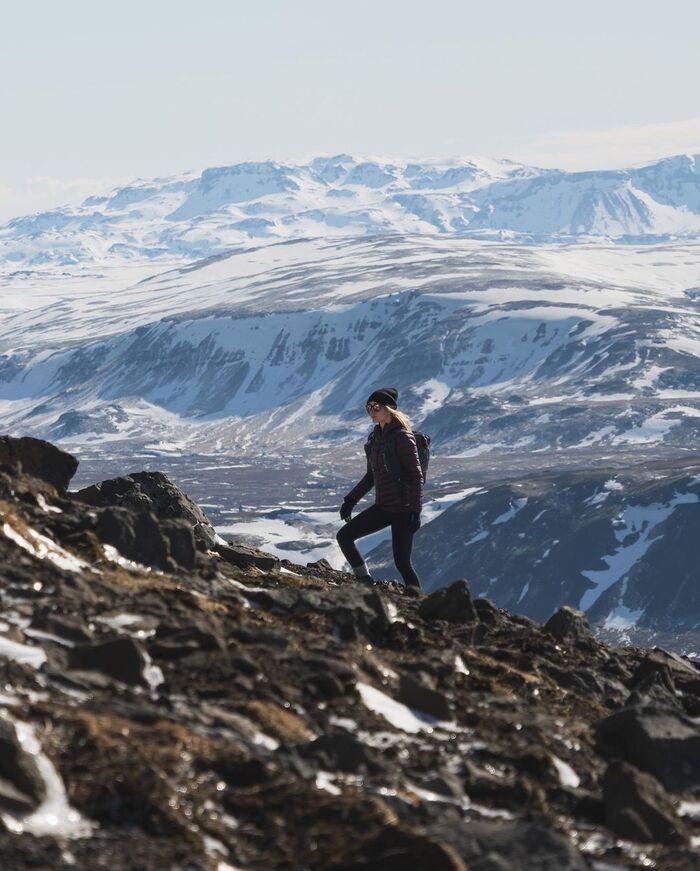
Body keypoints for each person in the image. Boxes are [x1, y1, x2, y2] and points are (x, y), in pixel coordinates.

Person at [336, 387, 423, 590]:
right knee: (344, 536)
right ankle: (365, 582)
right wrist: (350, 501)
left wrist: (415, 512)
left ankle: (420, 604)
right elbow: (371, 477)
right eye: (368, 408)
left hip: (403, 511)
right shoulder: (375, 438)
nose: (371, 411)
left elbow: (416, 476)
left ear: (389, 409)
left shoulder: (403, 437)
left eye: (376, 407)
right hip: (383, 507)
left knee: (402, 563)